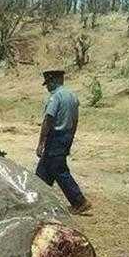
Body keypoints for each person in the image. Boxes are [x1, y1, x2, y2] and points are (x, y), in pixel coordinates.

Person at [34, 70, 91, 215]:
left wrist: (41, 143)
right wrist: (71, 136)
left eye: (48, 83)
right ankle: (37, 201)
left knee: (59, 170)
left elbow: (48, 120)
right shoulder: (72, 96)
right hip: (67, 135)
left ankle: (79, 201)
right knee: (43, 170)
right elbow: (75, 120)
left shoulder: (55, 97)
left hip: (55, 137)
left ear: (53, 81)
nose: (47, 87)